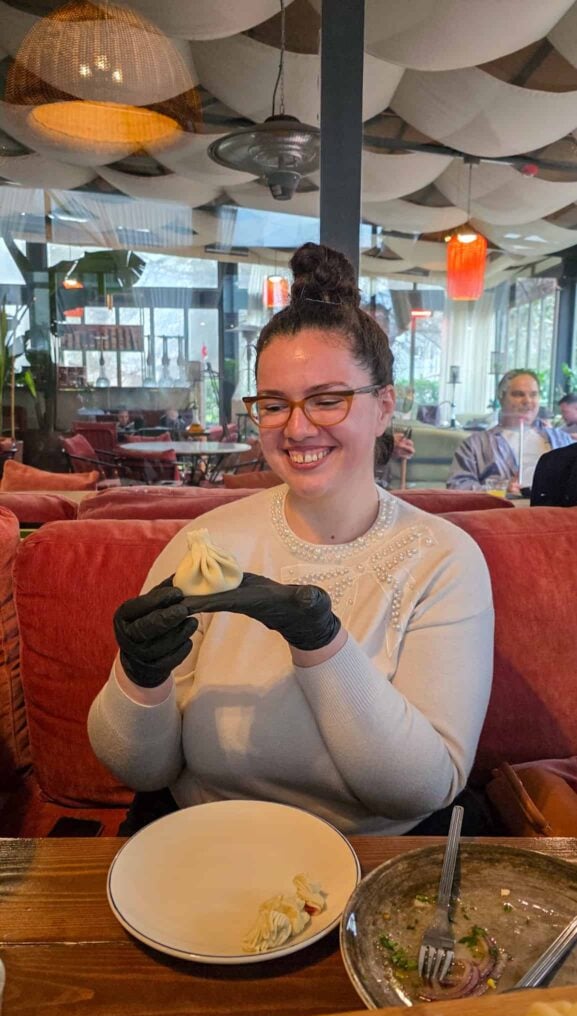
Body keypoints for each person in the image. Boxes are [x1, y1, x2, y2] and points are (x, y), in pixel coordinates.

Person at [88, 242, 494, 838]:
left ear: (384, 407)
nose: (298, 427)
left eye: (327, 399)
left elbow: (423, 788)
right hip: (208, 840)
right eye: (274, 404)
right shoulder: (206, 542)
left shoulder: (444, 558)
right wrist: (139, 675)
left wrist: (319, 641)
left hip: (374, 858)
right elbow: (142, 770)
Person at [447, 369, 575, 491]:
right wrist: (499, 488)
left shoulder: (562, 439)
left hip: (557, 511)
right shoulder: (476, 445)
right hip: (506, 510)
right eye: (518, 394)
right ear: (501, 398)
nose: (527, 401)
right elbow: (457, 486)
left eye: (533, 394)